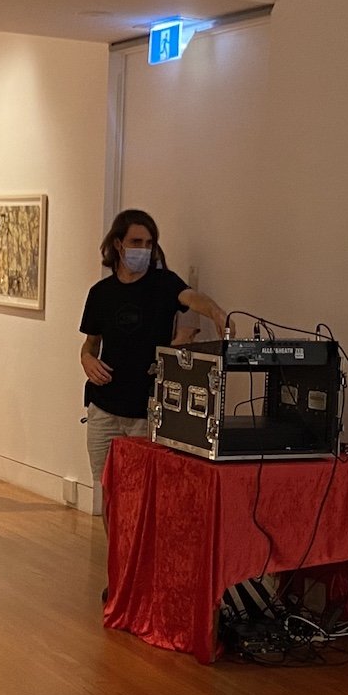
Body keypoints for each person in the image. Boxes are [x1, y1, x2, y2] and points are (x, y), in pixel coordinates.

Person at [79, 208, 229, 492]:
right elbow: (91, 344)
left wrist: (217, 313)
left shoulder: (164, 283)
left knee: (140, 491)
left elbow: (192, 298)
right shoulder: (101, 293)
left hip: (146, 410)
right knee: (108, 489)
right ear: (118, 244)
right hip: (105, 407)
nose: (143, 250)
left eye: (149, 244)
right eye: (136, 242)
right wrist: (86, 359)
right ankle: (113, 540)